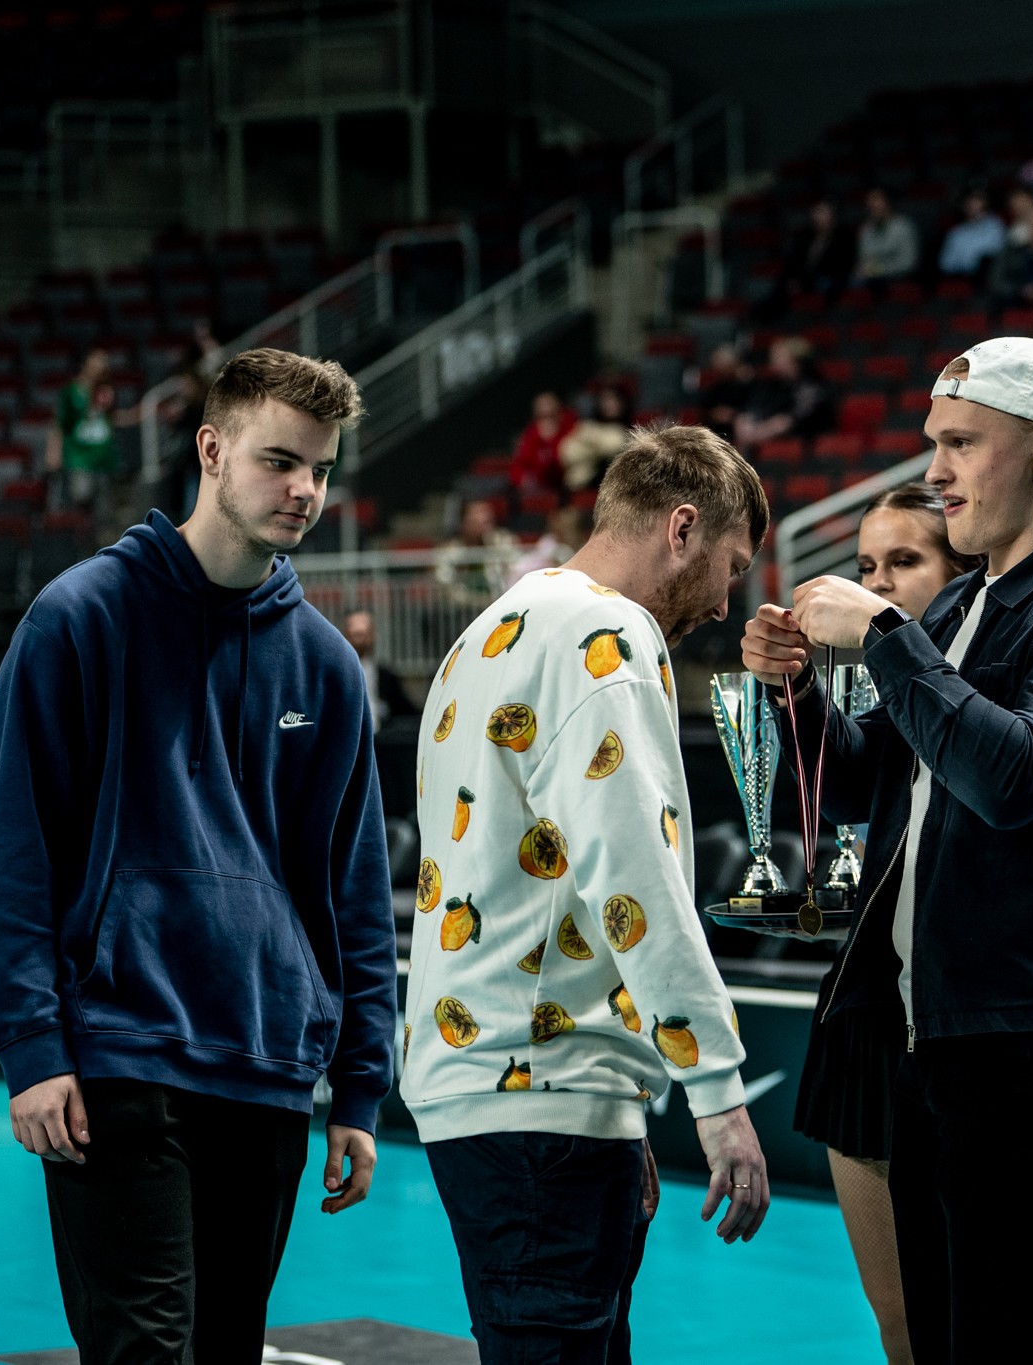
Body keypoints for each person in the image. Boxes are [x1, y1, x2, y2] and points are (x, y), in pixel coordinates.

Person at [742, 337, 1033, 1363]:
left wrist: (886, 636)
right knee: (940, 1339)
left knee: (1020, 1343)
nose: (935, 471)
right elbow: (864, 784)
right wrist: (794, 693)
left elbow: (1015, 774)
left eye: (961, 443)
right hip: (937, 1028)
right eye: (935, 443)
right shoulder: (962, 602)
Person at [0, 348, 394, 1362]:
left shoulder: (327, 667)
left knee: (224, 1351)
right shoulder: (78, 618)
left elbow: (354, 888)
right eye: (278, 461)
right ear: (210, 450)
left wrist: (360, 1086)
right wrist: (32, 1048)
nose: (303, 491)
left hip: (265, 1066)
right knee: (145, 1350)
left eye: (320, 469)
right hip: (117, 1053)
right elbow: (18, 850)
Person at [406, 423, 772, 1364]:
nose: (726, 602)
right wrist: (716, 1091)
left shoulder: (494, 629)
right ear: (681, 528)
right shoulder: (605, 633)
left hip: (506, 1083)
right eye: (731, 566)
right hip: (540, 1100)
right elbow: (633, 877)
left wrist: (619, 1085)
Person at [792, 482, 983, 1365]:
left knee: (982, 1319)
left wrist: (885, 635)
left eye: (905, 561)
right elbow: (843, 788)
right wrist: (797, 689)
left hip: (973, 1028)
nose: (878, 583)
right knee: (901, 1321)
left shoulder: (985, 689)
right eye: (868, 566)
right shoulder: (898, 692)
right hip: (871, 1016)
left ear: (961, 572)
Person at [47, 346, 139, 518]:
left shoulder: (106, 391)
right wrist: (53, 452)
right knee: (82, 499)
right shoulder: (71, 392)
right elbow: (59, 425)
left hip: (105, 457)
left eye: (105, 362)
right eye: (99, 361)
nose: (103, 365)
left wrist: (137, 415)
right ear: (86, 364)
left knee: (105, 508)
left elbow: (111, 418)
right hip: (80, 457)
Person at [733, 338, 837, 452]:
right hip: (765, 436)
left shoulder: (813, 385)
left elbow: (795, 418)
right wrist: (745, 420)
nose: (772, 359)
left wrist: (763, 431)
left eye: (778, 356)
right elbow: (755, 406)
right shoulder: (773, 384)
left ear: (795, 359)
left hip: (805, 440)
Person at [435, 498, 520, 600]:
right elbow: (443, 582)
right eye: (475, 521)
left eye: (486, 522)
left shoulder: (503, 541)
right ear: (463, 522)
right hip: (461, 606)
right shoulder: (450, 550)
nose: (482, 526)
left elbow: (518, 568)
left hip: (499, 601)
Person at [343, 607, 414, 726]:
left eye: (364, 633)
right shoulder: (334, 675)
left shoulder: (386, 677)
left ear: (372, 635)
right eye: (356, 634)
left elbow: (407, 712)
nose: (360, 639)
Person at [511, 391, 578, 496]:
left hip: (568, 488)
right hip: (539, 491)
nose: (547, 421)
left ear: (559, 412)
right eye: (543, 416)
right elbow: (517, 468)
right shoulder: (531, 435)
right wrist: (525, 480)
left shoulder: (570, 429)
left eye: (551, 415)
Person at [855, 188, 921, 287]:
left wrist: (878, 270)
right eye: (869, 201)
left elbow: (908, 263)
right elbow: (863, 260)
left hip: (898, 282)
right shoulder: (866, 230)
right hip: (871, 283)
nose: (871, 205)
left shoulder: (903, 227)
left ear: (888, 202)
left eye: (876, 199)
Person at [938, 190, 1007, 279]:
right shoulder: (956, 233)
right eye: (970, 206)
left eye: (978, 207)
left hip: (989, 276)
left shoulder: (996, 226)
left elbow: (998, 255)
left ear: (986, 207)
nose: (974, 209)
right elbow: (945, 264)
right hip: (961, 277)